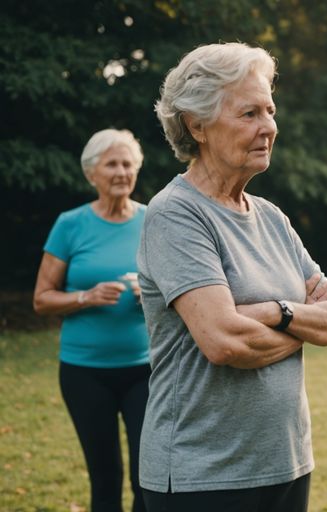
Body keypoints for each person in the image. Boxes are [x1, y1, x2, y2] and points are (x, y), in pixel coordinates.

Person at [138, 42, 327, 511]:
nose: (269, 128)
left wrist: (274, 312)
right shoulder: (175, 214)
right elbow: (225, 343)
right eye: (249, 113)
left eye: (270, 111)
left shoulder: (272, 217)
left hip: (287, 461)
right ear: (197, 125)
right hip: (203, 476)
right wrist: (301, 324)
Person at [32, 128, 149, 512]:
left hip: (146, 369)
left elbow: (181, 291)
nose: (121, 171)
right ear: (91, 173)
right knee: (105, 479)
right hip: (85, 373)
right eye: (111, 163)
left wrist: (150, 295)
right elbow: (42, 298)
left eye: (128, 163)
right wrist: (86, 296)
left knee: (147, 478)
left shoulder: (154, 221)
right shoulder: (71, 224)